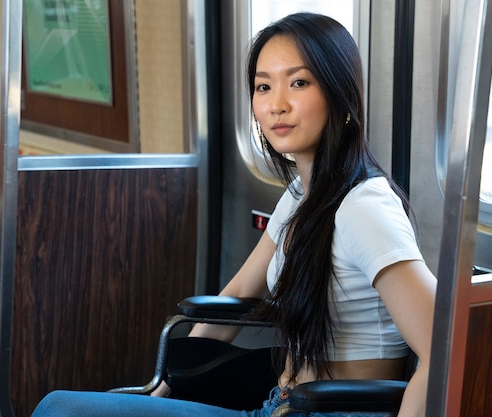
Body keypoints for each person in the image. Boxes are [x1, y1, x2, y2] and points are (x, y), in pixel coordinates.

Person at [31, 12, 436, 417]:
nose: (276, 104)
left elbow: (443, 347)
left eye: (299, 82)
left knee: (60, 411)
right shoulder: (303, 195)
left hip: (324, 410)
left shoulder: (363, 208)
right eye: (264, 86)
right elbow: (237, 296)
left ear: (340, 94)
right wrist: (168, 388)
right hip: (278, 405)